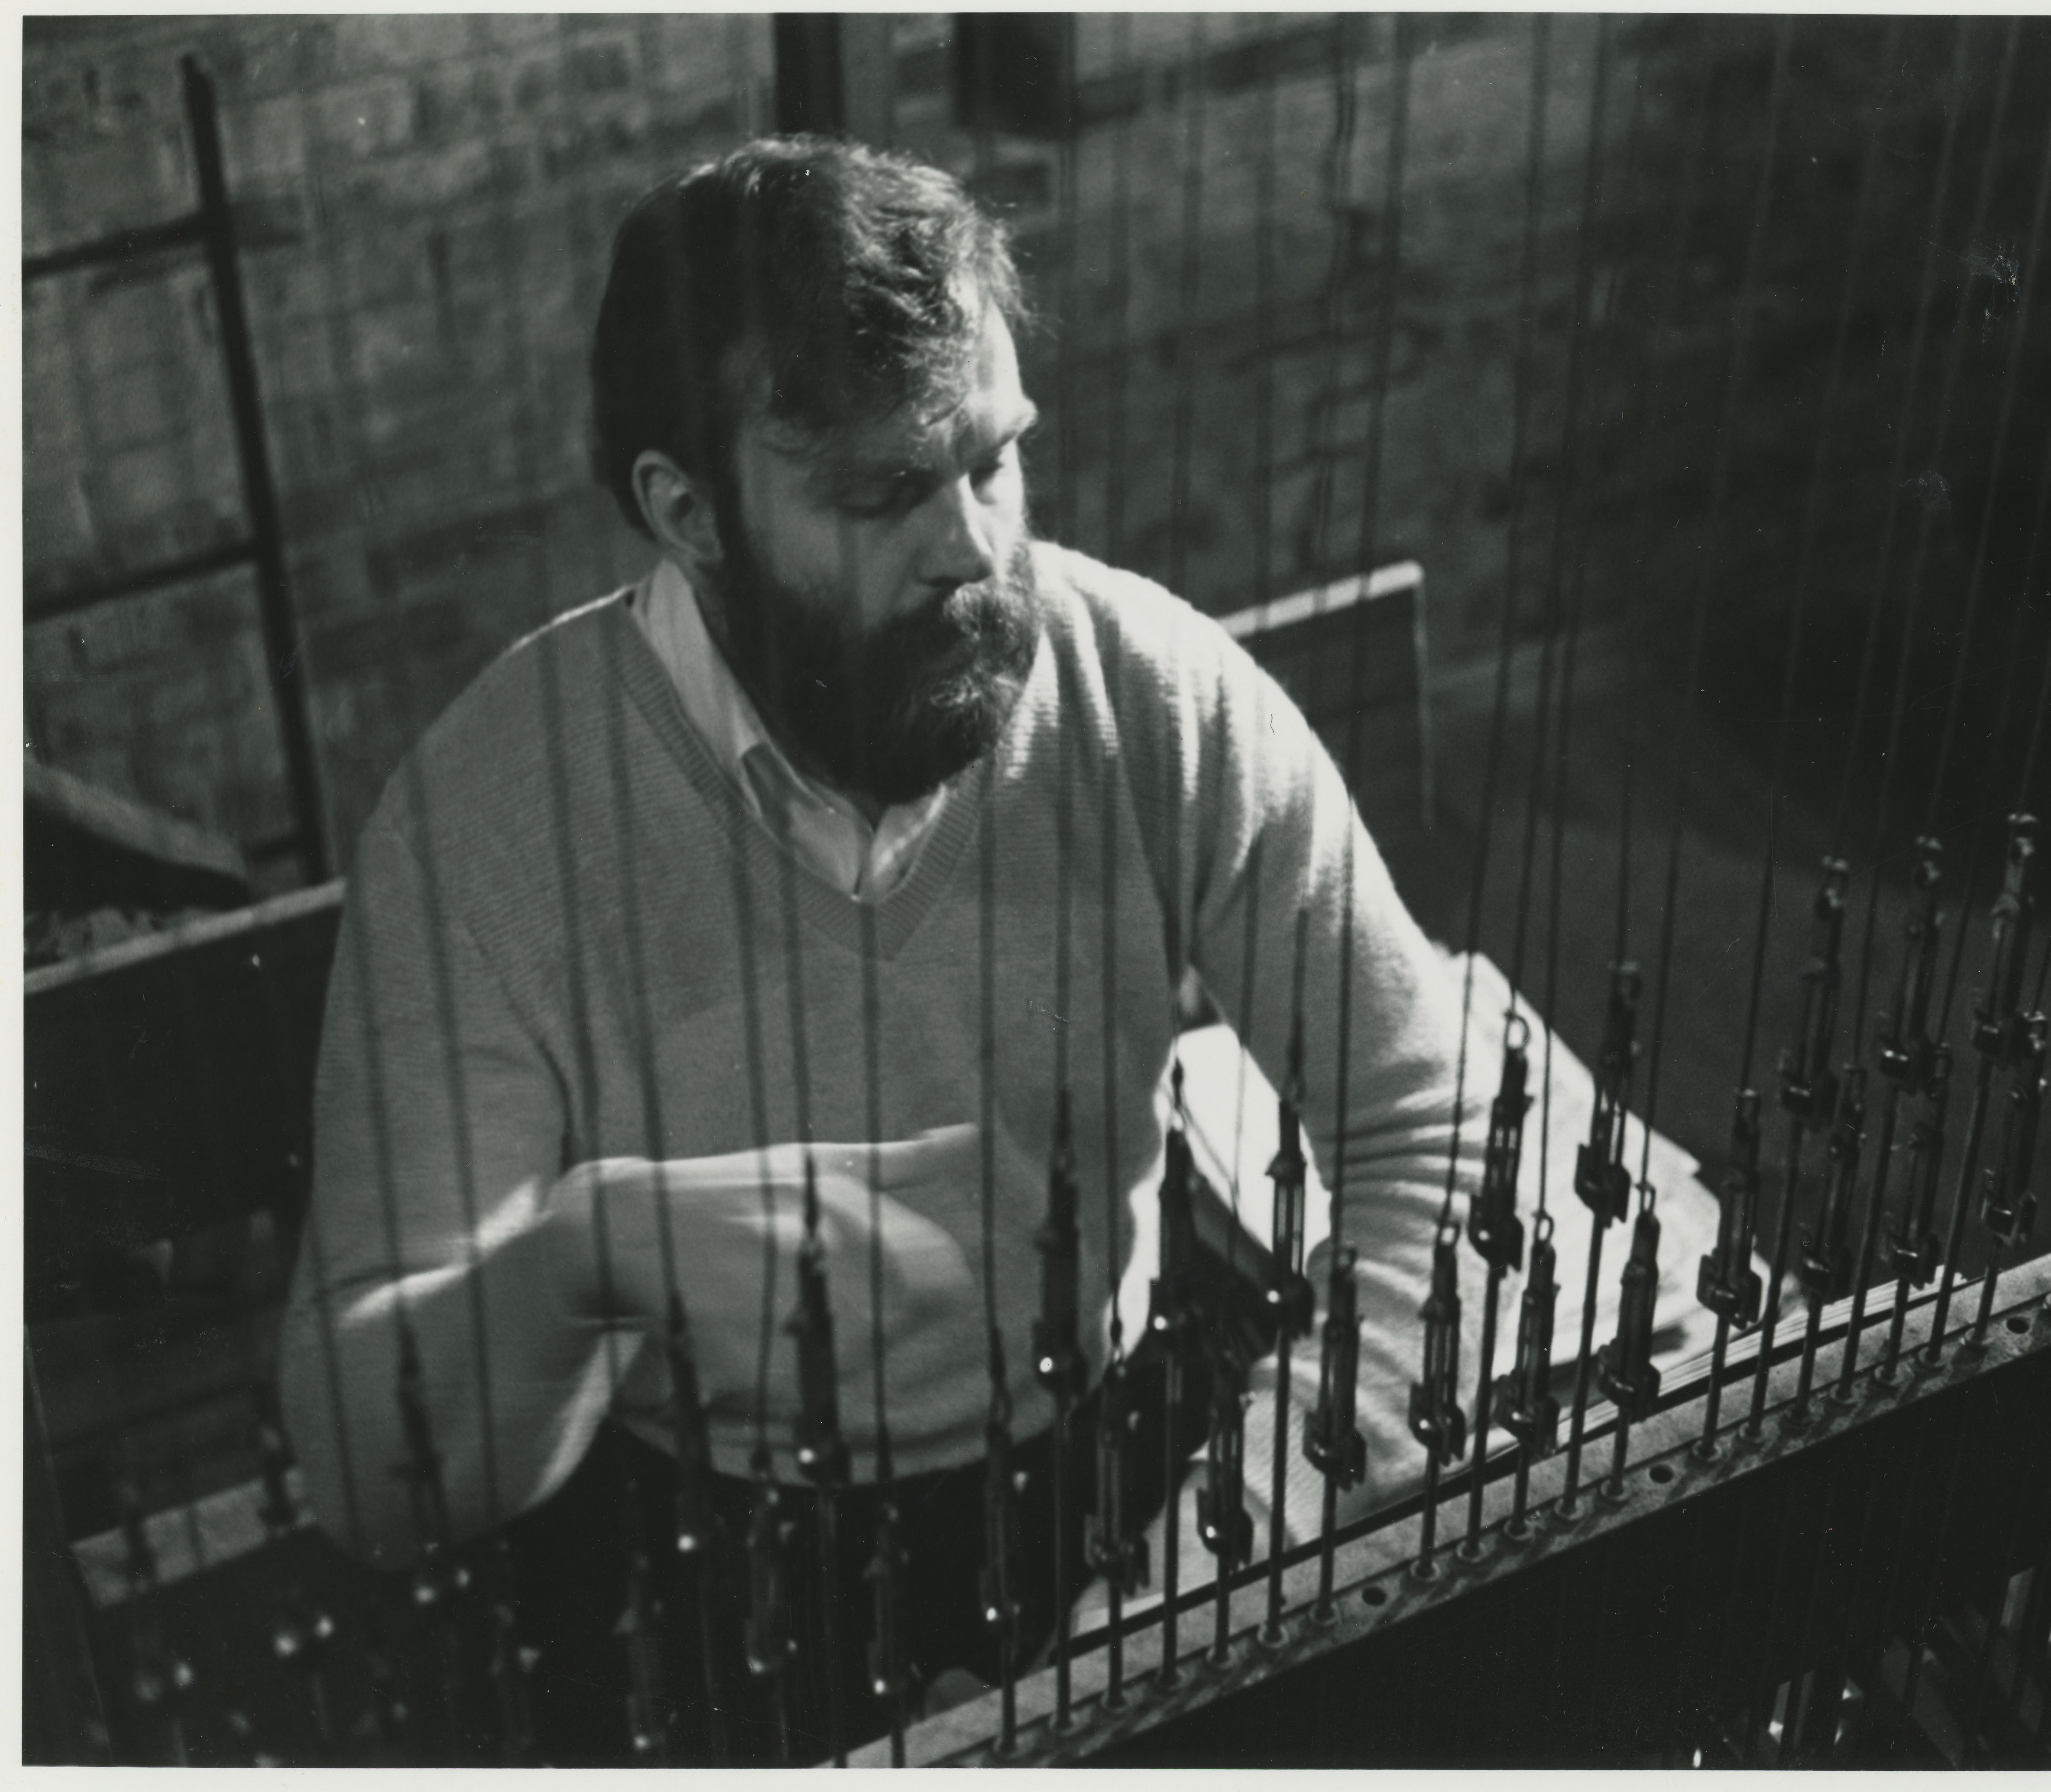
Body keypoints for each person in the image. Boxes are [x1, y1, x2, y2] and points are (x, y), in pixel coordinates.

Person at [278, 136, 1729, 1764]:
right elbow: (361, 1475)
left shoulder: (1141, 686)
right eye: (886, 492)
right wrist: (584, 1255)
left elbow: (1441, 1132)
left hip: (1136, 1482)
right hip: (711, 1563)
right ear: (684, 512)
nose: (975, 547)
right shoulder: (490, 817)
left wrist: (1181, 1601)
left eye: (994, 459)